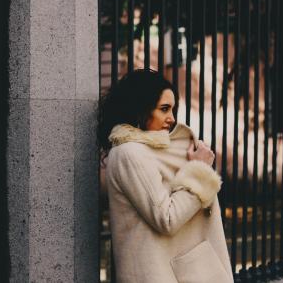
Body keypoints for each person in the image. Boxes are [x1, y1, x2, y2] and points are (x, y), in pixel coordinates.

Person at [98, 69, 233, 283]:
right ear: (139, 109)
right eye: (164, 109)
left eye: (173, 109)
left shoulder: (153, 151)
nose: (171, 118)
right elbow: (166, 218)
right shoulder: (129, 153)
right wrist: (199, 172)